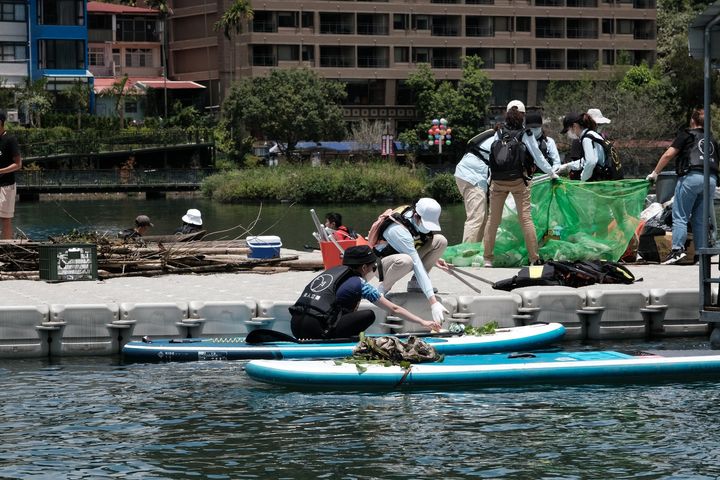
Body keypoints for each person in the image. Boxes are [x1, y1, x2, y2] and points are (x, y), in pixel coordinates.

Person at [289, 245, 441, 339]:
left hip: (295, 325)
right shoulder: (361, 284)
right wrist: (423, 322)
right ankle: (334, 340)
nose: (373, 270)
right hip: (316, 330)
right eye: (373, 267)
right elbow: (393, 308)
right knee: (368, 315)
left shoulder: (331, 273)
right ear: (363, 268)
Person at [483, 108, 558, 268]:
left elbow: (491, 153)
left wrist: (490, 178)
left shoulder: (499, 131)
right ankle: (533, 258)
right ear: (521, 121)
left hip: (497, 181)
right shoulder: (525, 134)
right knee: (525, 219)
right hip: (519, 181)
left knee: (493, 220)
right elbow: (537, 156)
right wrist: (551, 172)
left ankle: (487, 258)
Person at [646, 108, 718, 264]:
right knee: (700, 219)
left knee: (680, 216)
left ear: (692, 121)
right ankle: (700, 255)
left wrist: (655, 173)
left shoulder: (686, 134)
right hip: (711, 180)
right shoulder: (711, 139)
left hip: (691, 177)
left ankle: (677, 250)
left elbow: (668, 154)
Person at [372, 198, 450, 324]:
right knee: (407, 261)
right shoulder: (398, 230)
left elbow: (419, 241)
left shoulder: (414, 219)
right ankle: (382, 290)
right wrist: (433, 302)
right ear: (415, 215)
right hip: (382, 265)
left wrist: (434, 258)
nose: (427, 228)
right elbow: (416, 264)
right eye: (425, 223)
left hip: (403, 254)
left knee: (440, 241)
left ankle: (415, 284)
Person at [454, 134, 491, 244]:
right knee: (476, 218)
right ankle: (465, 254)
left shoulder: (493, 138)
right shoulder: (500, 141)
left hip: (468, 175)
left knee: (482, 218)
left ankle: (476, 251)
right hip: (473, 177)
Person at [555, 112, 607, 182]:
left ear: (574, 126)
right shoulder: (592, 134)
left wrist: (582, 180)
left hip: (602, 179)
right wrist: (567, 166)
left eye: (568, 130)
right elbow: (586, 160)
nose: (568, 133)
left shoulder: (587, 138)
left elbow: (591, 162)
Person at [0, 110, 22, 240]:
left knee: (5, 219)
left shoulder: (10, 140)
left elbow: (18, 164)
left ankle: (6, 249)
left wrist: (1, 171)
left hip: (6, 185)